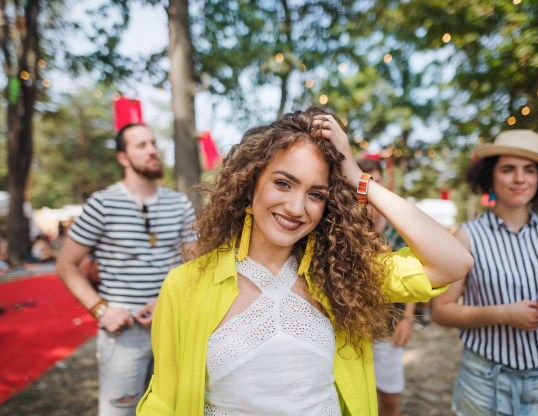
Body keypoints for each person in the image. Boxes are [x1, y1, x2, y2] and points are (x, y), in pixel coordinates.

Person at [136, 107, 473, 416]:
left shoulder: (346, 277)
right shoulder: (184, 285)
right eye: (283, 183)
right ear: (250, 186)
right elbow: (163, 402)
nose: (297, 208)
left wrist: (358, 177)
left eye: (316, 194)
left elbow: (453, 262)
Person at [432, 130, 538, 416]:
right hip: (484, 382)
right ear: (490, 176)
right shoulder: (468, 236)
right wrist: (504, 314)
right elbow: (441, 311)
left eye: (529, 170)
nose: (520, 179)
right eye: (508, 169)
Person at [56, 124, 196, 416]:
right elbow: (66, 264)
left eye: (153, 143)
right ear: (123, 157)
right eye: (141, 145)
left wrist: (169, 303)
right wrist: (100, 310)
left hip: (172, 328)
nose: (152, 150)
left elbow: (194, 266)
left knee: (171, 410)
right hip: (123, 334)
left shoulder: (180, 203)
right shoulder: (102, 204)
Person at [357, 157, 414, 416]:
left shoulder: (398, 228)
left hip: (388, 327)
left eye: (375, 182)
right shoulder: (346, 228)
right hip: (351, 329)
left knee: (389, 398)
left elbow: (415, 274)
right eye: (362, 183)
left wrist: (407, 318)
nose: (369, 190)